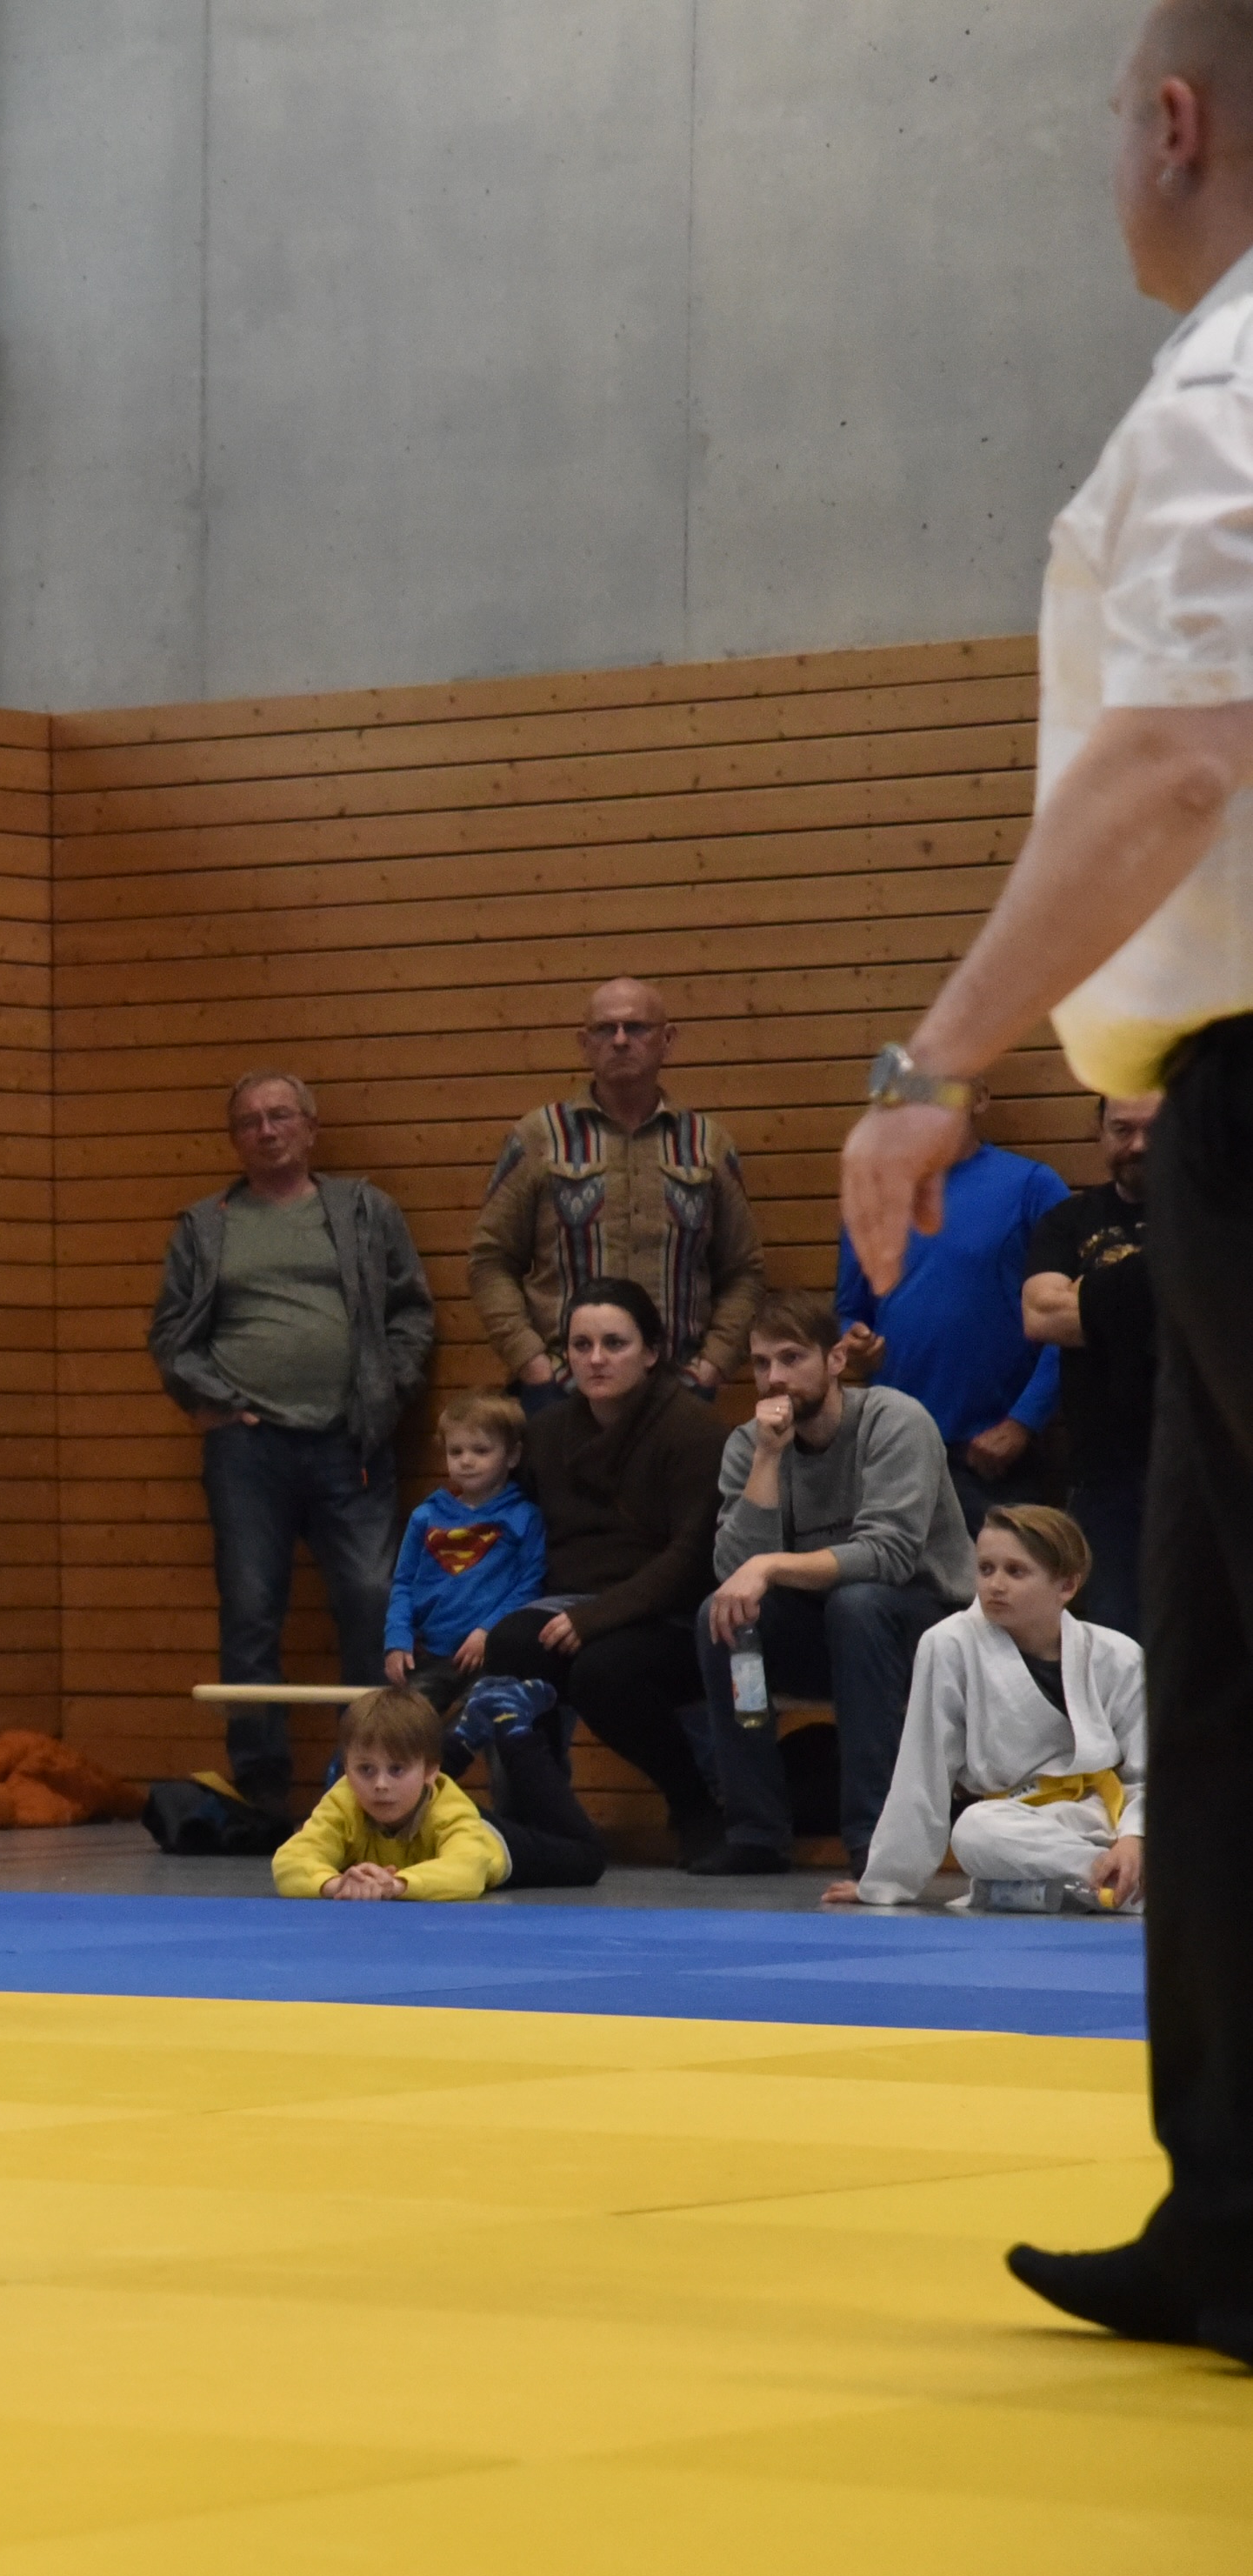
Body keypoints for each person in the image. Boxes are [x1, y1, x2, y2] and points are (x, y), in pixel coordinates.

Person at [841, 0, 1253, 2363]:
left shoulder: (1223, 389)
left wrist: (934, 1063)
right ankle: (1235, 2202)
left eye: (1115, 119)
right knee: (1220, 1671)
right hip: (1210, 1113)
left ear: (1174, 122)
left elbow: (1178, 756)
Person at [145, 1071, 439, 1819]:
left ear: (311, 1128)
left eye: (280, 1116)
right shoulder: (206, 1224)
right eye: (249, 1121)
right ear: (234, 1139)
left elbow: (411, 1311)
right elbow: (171, 1334)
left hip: (353, 1439)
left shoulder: (364, 1210)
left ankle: (374, 1774)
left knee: (371, 1600)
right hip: (249, 1450)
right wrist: (215, 1402)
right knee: (250, 1608)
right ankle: (262, 1784)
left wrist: (388, 1391)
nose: (266, 1131)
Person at [694, 1292, 978, 1876]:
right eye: (762, 1363)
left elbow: (889, 1555)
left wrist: (771, 1568)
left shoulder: (894, 1421)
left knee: (859, 1605)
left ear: (835, 1361)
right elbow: (736, 1571)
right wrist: (767, 1461)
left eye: (792, 1358)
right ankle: (757, 1831)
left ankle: (875, 1838)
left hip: (927, 1623)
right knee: (723, 1618)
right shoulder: (750, 1444)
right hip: (826, 1623)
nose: (775, 1378)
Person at [471, 1279, 725, 1864]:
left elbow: (692, 1559)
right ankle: (537, 1819)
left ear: (652, 1351)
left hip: (670, 1616)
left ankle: (694, 1806)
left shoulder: (695, 1433)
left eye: (615, 1343)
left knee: (603, 1672)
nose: (596, 1359)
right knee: (510, 1644)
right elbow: (513, 1528)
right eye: (581, 1345)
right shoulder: (546, 1432)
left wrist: (596, 1618)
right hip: (569, 1606)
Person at [827, 1505, 1150, 1916]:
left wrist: (1135, 1838)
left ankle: (1108, 1876)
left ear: (1067, 1585)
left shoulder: (1118, 1656)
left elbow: (1150, 1773)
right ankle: (1116, 1881)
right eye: (985, 1569)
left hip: (1106, 1816)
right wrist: (885, 1881)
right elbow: (923, 1770)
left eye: (1016, 1571)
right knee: (973, 1829)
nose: (995, 1585)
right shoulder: (948, 1644)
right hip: (1013, 1822)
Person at [468, 979, 768, 1410]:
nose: (621, 1040)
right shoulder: (539, 1138)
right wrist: (532, 1362)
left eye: (637, 1027)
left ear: (668, 1040)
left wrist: (713, 1365)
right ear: (584, 1044)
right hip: (562, 1394)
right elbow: (491, 1259)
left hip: (675, 1393)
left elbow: (743, 1271)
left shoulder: (707, 1144)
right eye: (606, 1029)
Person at [833, 1089, 1066, 1527]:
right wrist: (856, 1343)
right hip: (897, 1451)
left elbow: (1068, 1323)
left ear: (980, 1098)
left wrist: (1023, 1422)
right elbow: (850, 1311)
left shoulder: (1033, 1186)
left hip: (995, 1459)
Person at [1024, 1093, 1163, 1630]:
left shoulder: (1221, 1217)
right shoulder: (1069, 1221)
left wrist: (1089, 1295)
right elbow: (1042, 1316)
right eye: (1122, 1129)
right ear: (1099, 1131)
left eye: (1155, 1128)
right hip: (1105, 1473)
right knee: (1113, 1638)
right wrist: (1159, 1285)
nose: (1139, 1144)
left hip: (1211, 1463)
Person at [271, 1686, 513, 1903]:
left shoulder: (451, 1812)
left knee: (539, 1838)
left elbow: (468, 1870)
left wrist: (393, 1885)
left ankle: (514, 1731)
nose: (380, 1785)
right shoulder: (343, 1801)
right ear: (346, 1770)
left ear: (431, 1771)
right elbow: (290, 1861)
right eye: (366, 1770)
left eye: (396, 1769)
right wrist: (337, 1885)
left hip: (503, 1841)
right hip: (427, 1838)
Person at [380, 1393, 550, 1693]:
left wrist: (487, 1631)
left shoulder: (525, 1517)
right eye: (455, 1451)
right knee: (407, 1719)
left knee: (482, 1719)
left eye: (481, 1450)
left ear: (512, 1456)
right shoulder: (426, 1516)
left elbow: (530, 1586)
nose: (466, 1461)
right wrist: (397, 1638)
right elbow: (403, 1583)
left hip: (491, 1656)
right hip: (428, 1655)